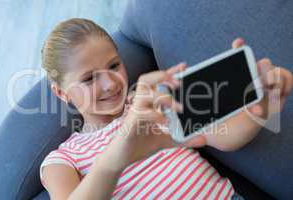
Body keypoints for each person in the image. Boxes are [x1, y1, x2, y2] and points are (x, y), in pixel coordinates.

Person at [39, 18, 293, 200]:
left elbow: (225, 137)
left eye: (114, 66)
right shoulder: (64, 159)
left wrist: (264, 106)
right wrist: (119, 153)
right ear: (60, 92)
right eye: (89, 79)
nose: (109, 84)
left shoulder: (152, 103)